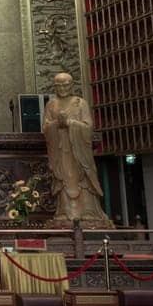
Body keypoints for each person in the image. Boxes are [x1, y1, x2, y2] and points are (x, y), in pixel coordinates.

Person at [43, 73, 112, 227]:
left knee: (83, 180)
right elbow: (46, 128)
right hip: (60, 150)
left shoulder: (80, 103)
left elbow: (88, 127)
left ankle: (88, 212)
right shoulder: (51, 105)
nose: (62, 88)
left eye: (65, 84)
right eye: (58, 85)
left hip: (78, 152)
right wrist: (56, 124)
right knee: (63, 180)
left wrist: (70, 123)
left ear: (72, 85)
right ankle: (64, 212)